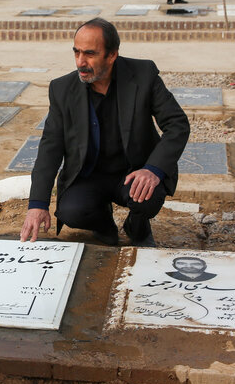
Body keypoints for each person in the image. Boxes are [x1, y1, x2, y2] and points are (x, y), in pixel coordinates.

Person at [20, 18, 190, 247]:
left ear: (111, 55)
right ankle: (103, 225)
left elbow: (177, 124)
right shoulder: (62, 90)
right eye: (76, 52)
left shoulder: (143, 75)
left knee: (148, 197)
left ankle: (137, 226)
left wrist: (153, 170)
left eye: (89, 54)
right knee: (71, 211)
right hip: (89, 175)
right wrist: (37, 203)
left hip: (133, 172)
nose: (81, 62)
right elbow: (50, 146)